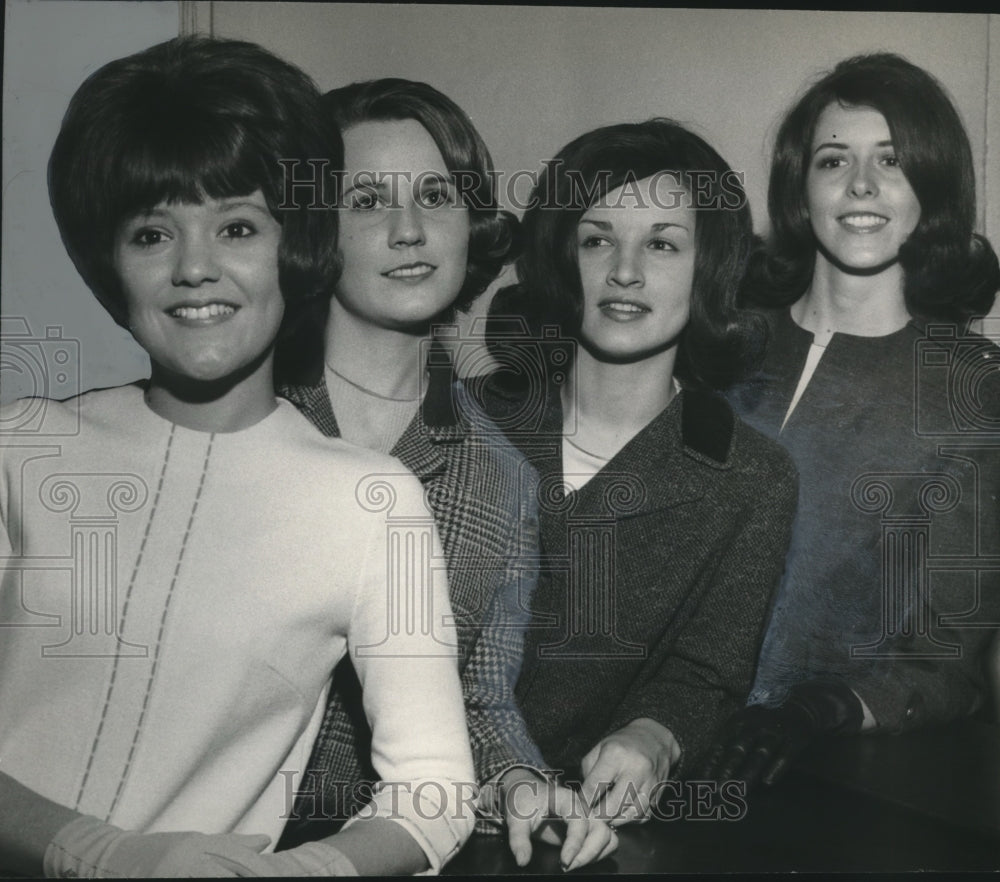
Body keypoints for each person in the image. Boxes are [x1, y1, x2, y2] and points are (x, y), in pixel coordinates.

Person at [0, 36, 476, 877]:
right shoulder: (22, 447)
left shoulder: (371, 503)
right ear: (111, 262)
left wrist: (306, 872)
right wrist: (89, 851)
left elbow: (435, 792)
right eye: (152, 233)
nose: (194, 268)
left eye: (237, 227)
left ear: (295, 246)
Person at [275, 78, 615, 870]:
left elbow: (482, 704)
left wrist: (525, 785)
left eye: (437, 194)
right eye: (366, 200)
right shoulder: (243, 421)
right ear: (313, 230)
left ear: (472, 224)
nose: (409, 229)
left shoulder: (500, 479)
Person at [474, 119, 798, 825]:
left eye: (662, 243)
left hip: (580, 830)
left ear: (708, 268)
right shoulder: (466, 424)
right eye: (598, 239)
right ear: (563, 260)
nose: (626, 270)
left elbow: (705, 672)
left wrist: (651, 737)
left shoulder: (752, 476)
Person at [704, 53, 1000, 788]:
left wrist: (819, 710)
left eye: (893, 162)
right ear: (801, 188)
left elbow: (946, 660)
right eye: (834, 160)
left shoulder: (974, 388)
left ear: (931, 190)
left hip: (833, 777)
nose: (861, 186)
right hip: (652, 741)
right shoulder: (719, 347)